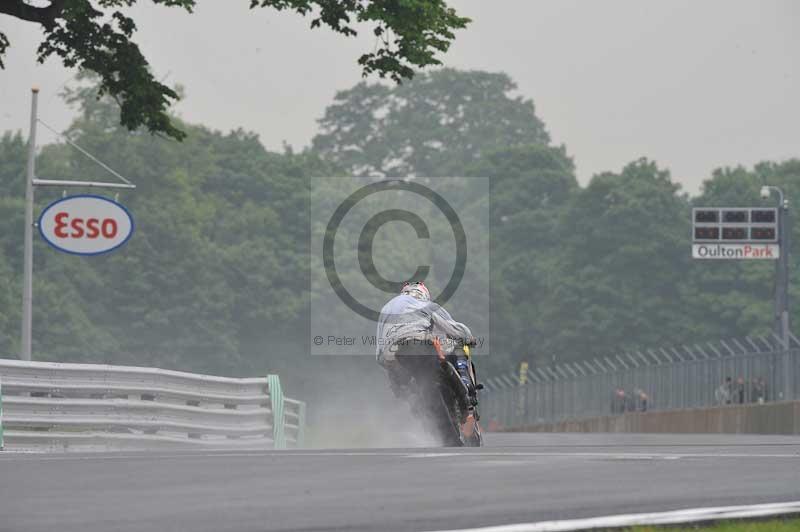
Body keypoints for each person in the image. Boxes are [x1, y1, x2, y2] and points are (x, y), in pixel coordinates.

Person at [376, 281, 476, 402]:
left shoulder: (385, 309)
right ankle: (466, 383)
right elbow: (453, 328)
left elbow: (379, 354)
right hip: (419, 341)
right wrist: (468, 337)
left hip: (392, 353)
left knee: (402, 384)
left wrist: (391, 369)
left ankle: (412, 399)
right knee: (459, 345)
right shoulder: (424, 304)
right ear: (423, 294)